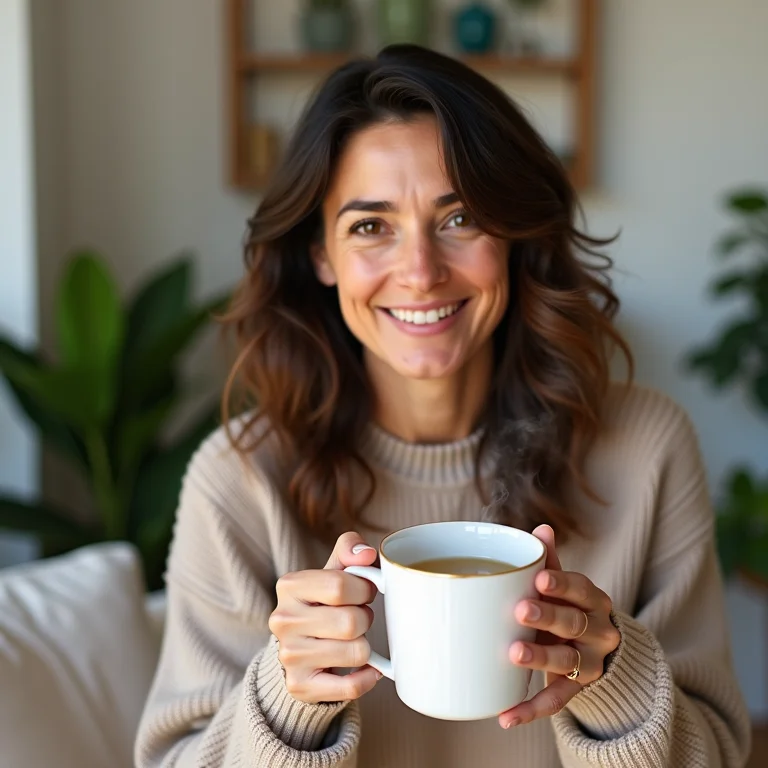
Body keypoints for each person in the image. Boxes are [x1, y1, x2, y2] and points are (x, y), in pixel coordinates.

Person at [134, 45, 751, 768]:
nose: (421, 273)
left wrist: (615, 679)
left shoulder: (646, 449)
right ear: (321, 255)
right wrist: (287, 701)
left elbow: (717, 755)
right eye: (371, 226)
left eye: (459, 219)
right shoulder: (239, 479)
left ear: (515, 236)